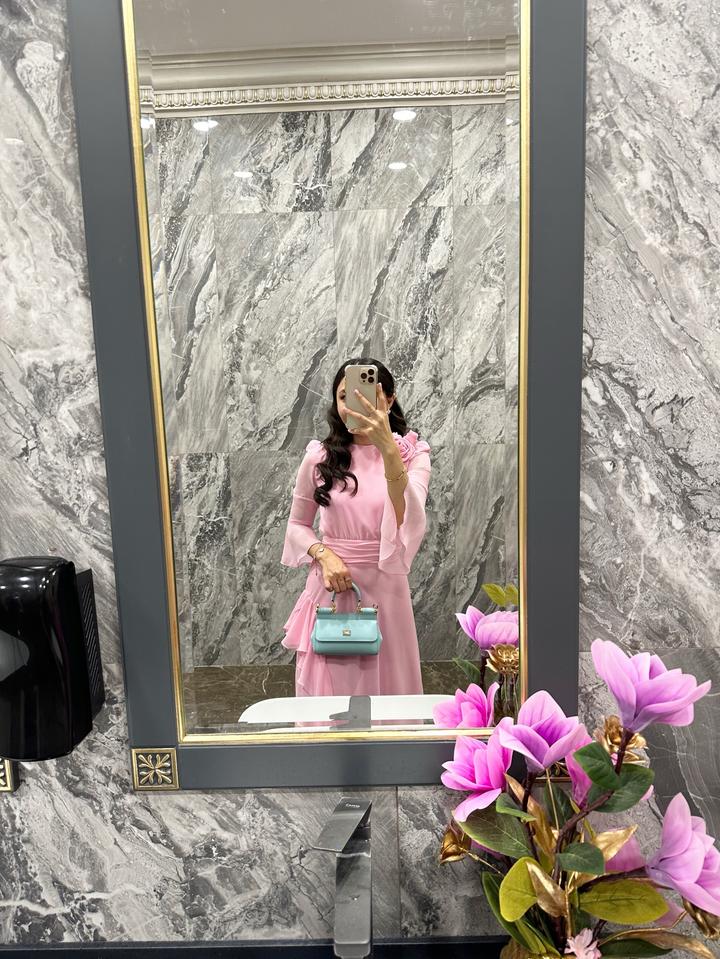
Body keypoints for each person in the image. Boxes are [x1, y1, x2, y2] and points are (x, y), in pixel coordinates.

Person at [280, 358, 431, 697]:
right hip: (332, 588)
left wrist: (387, 448)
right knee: (329, 694)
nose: (353, 404)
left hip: (387, 592)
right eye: (344, 396)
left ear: (388, 400)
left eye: (365, 395)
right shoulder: (320, 458)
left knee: (390, 691)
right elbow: (297, 525)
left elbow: (408, 515)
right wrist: (324, 555)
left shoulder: (414, 455)